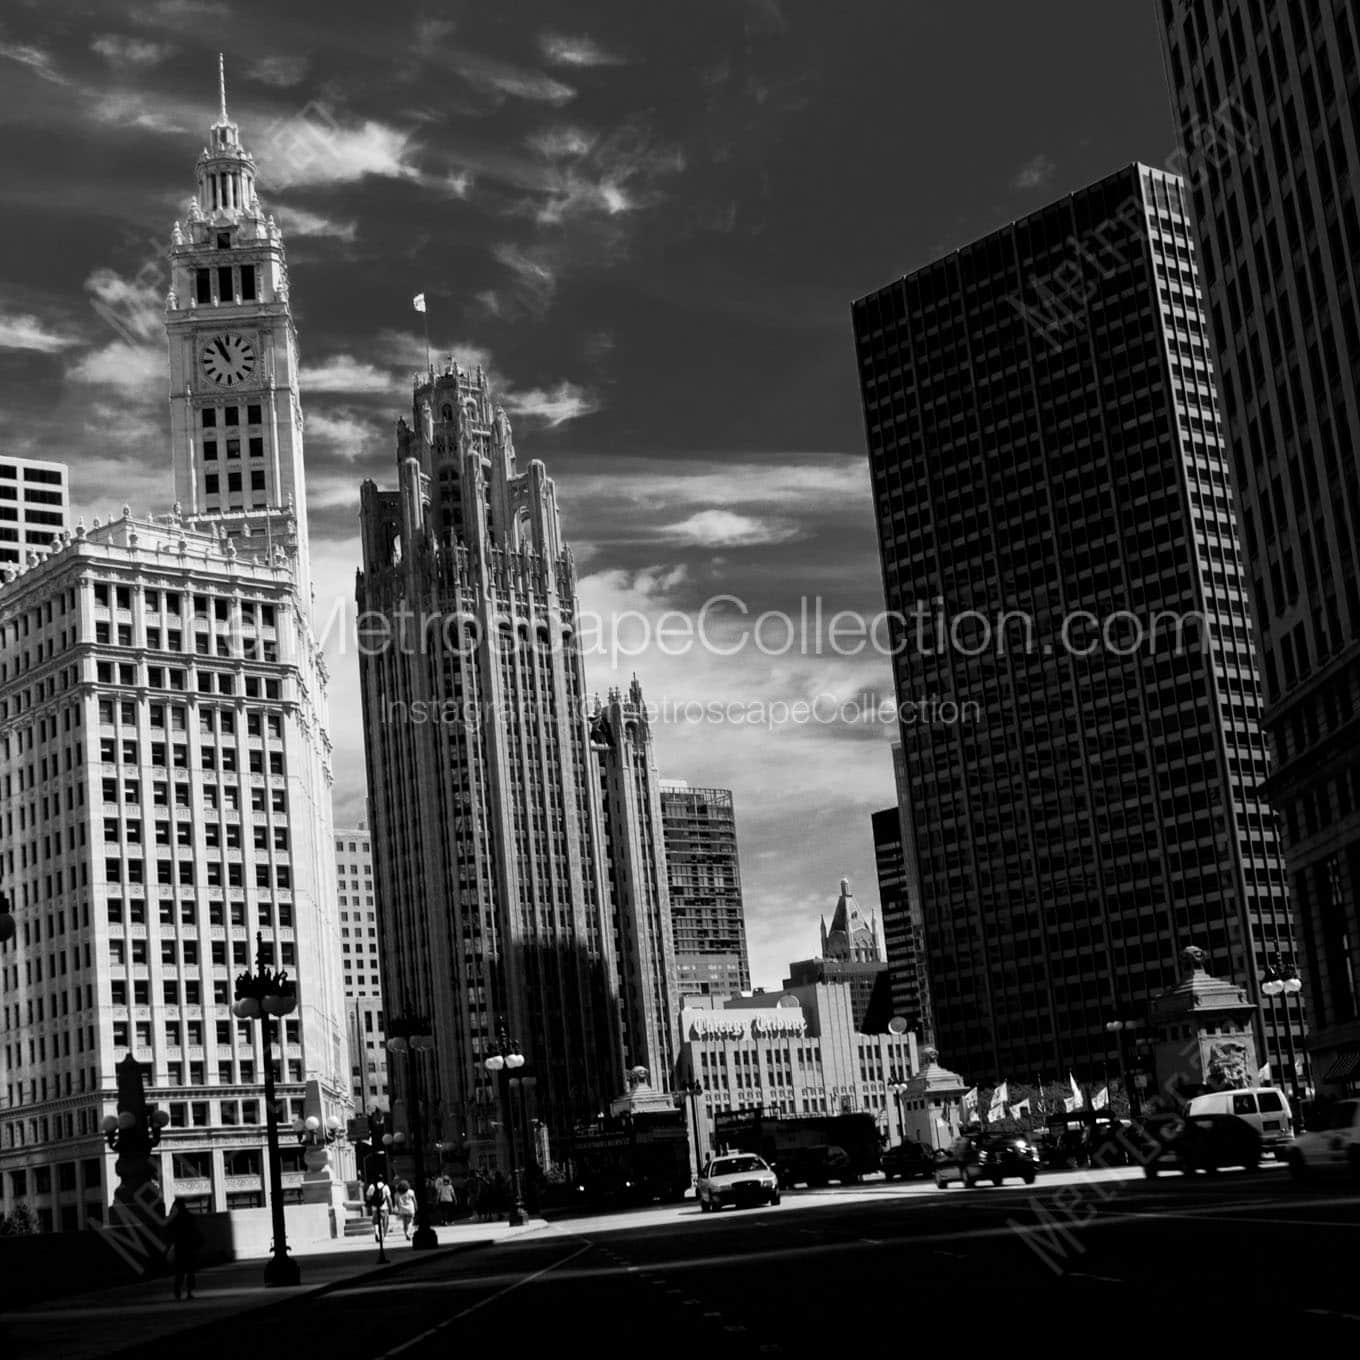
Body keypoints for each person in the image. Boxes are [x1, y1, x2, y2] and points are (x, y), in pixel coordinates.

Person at [165, 1201, 203, 1302]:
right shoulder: (189, 1216)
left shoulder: (175, 1218)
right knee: (190, 1271)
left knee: (179, 1272)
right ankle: (189, 1292)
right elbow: (195, 1230)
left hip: (180, 1247)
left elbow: (167, 1227)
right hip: (189, 1247)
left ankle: (178, 1292)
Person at [365, 1175, 392, 1240]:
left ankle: (377, 1233)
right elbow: (388, 1198)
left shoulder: (372, 1186)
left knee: (376, 1222)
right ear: (383, 1179)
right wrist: (391, 1207)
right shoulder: (385, 1187)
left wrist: (372, 1200)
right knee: (385, 1222)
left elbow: (368, 1197)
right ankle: (385, 1236)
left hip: (375, 1207)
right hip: (384, 1207)